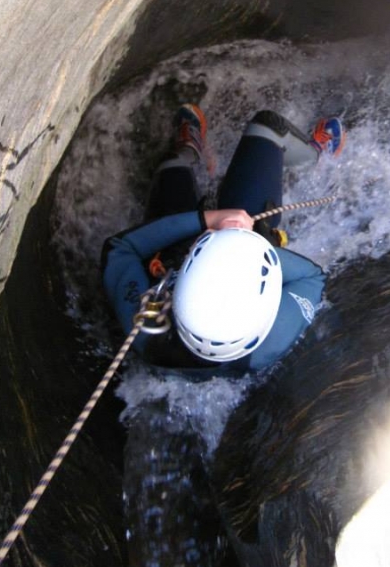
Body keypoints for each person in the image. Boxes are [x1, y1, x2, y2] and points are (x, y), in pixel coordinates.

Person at [101, 105, 345, 374]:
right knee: (268, 126)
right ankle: (314, 155)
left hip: (178, 247)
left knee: (171, 163)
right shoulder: (272, 338)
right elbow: (313, 277)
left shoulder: (148, 328)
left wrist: (207, 221)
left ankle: (188, 150)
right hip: (249, 232)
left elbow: (119, 248)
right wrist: (255, 243)